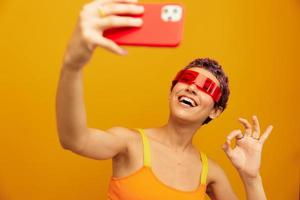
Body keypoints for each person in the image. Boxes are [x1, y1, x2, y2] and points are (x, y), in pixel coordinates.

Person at [55, 0, 274, 199]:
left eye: (206, 87)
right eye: (186, 78)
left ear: (215, 111)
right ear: (172, 91)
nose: (192, 87)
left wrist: (251, 178)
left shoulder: (211, 173)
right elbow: (75, 140)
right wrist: (73, 65)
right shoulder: (129, 143)